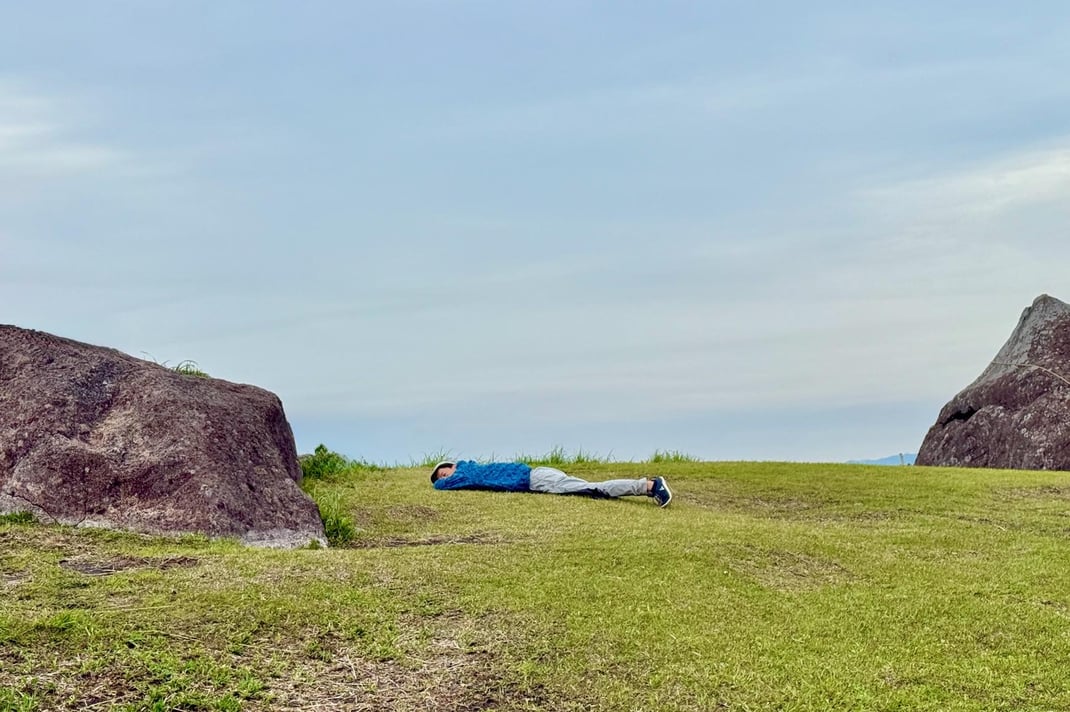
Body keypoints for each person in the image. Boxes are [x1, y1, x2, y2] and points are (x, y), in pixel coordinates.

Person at [429, 460, 673, 507]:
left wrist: (441, 483)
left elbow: (445, 486)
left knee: (595, 488)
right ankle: (647, 486)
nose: (444, 477)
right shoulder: (472, 470)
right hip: (538, 477)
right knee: (591, 488)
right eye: (441, 476)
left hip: (538, 479)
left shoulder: (467, 471)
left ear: (452, 466)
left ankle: (649, 486)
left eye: (444, 472)